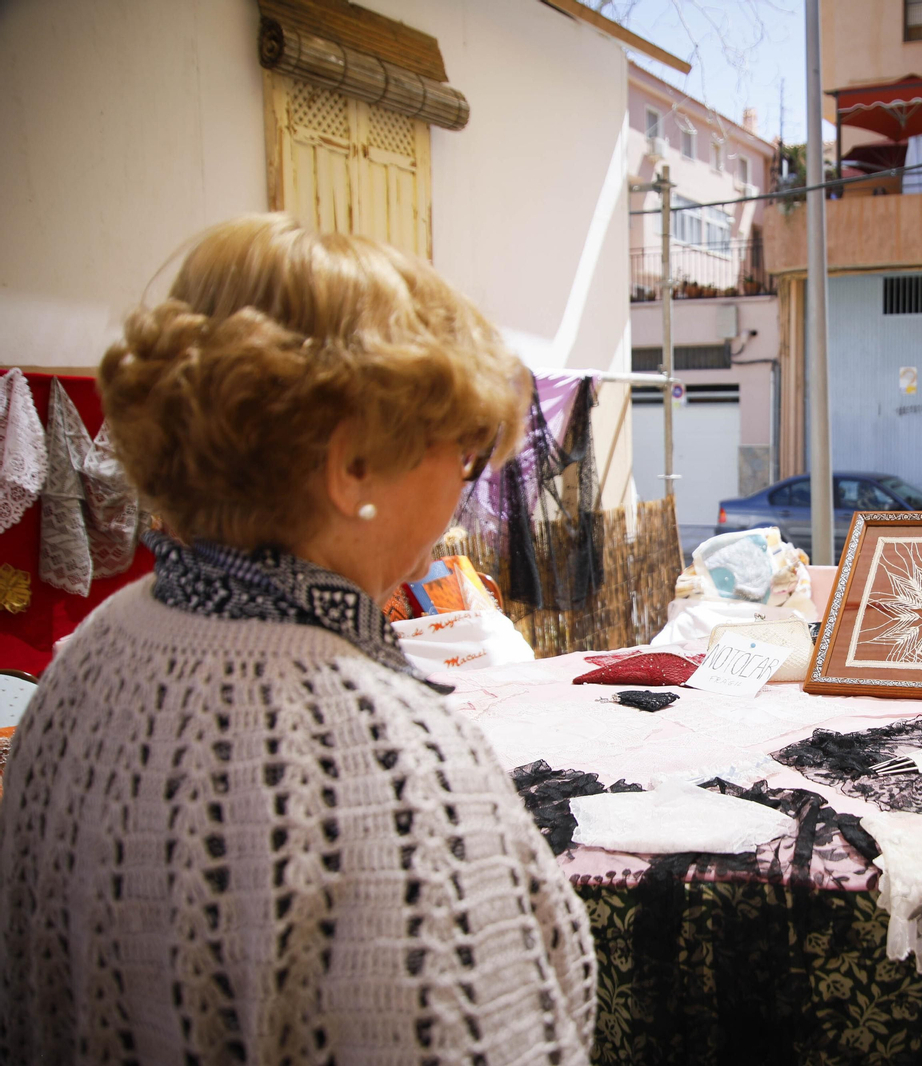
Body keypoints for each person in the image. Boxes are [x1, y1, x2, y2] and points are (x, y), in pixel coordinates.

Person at [0, 215, 596, 1064]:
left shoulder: (89, 657)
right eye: (463, 452)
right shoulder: (388, 766)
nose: (464, 495)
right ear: (351, 464)